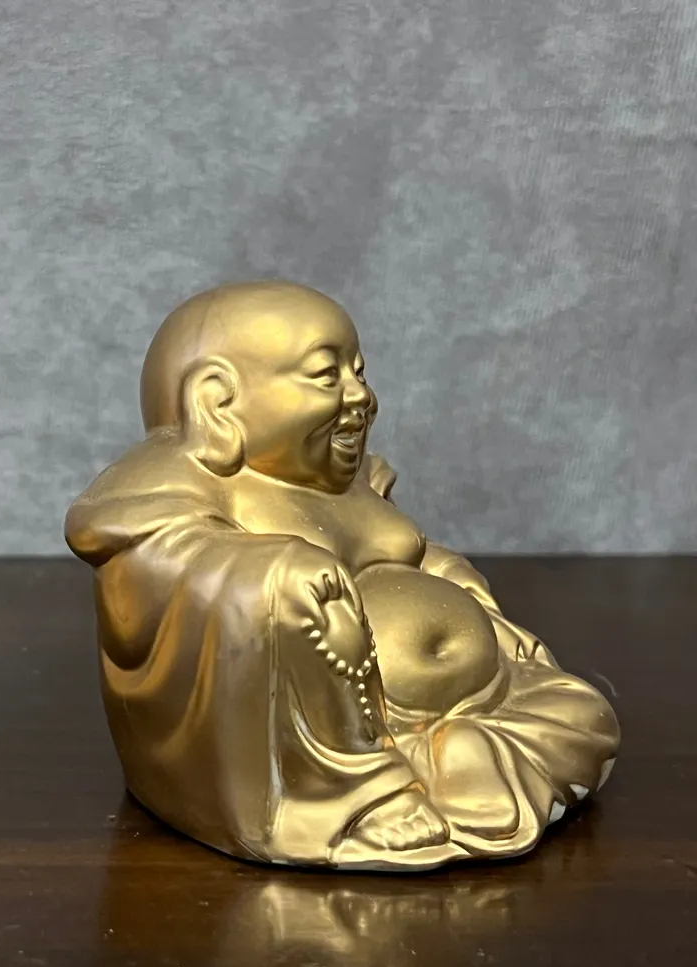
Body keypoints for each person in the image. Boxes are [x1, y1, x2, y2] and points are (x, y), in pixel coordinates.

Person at [65, 281, 618, 869]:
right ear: (217, 401)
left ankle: (458, 754)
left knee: (585, 717)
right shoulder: (175, 488)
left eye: (359, 372)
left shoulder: (351, 485)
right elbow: (168, 565)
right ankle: (363, 793)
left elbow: (412, 559)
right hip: (333, 740)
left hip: (477, 694)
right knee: (274, 592)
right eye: (327, 376)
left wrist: (465, 597)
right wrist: (275, 571)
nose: (361, 396)